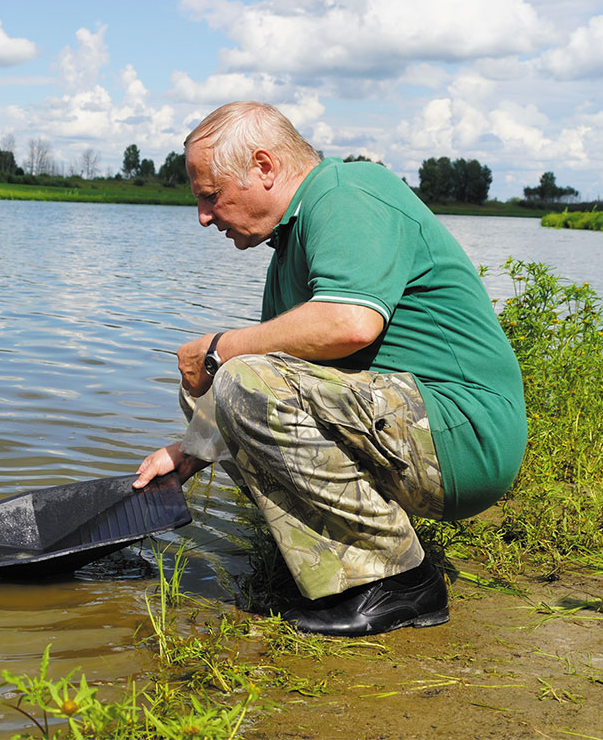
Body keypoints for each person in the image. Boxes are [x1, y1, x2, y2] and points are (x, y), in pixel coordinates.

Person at [133, 102, 526, 637]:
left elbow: (350, 323)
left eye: (210, 195)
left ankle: (400, 584)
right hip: (408, 425)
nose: (204, 216)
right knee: (210, 389)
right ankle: (342, 563)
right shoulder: (290, 244)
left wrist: (218, 349)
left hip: (464, 433)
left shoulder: (346, 193)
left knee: (232, 373)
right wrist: (186, 454)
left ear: (265, 167)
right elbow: (279, 380)